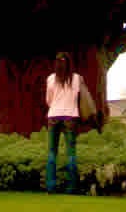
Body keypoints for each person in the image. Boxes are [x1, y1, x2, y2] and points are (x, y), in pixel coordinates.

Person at [45, 52, 83, 194]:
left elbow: (48, 100)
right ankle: (72, 187)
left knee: (52, 152)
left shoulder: (50, 79)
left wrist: (56, 105)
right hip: (70, 116)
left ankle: (50, 186)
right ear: (69, 63)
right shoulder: (77, 78)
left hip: (53, 116)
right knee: (71, 153)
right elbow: (79, 96)